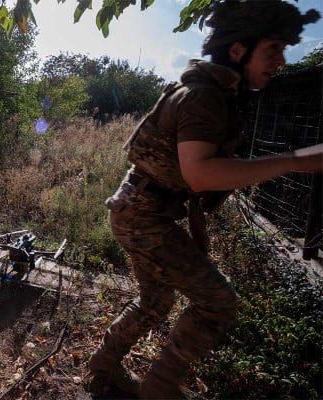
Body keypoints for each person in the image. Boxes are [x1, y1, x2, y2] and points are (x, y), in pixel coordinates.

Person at [86, 0, 322, 398]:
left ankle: (103, 364)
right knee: (218, 302)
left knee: (155, 301)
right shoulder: (204, 97)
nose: (281, 60)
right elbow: (200, 173)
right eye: (273, 49)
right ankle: (159, 387)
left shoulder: (216, 92)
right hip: (144, 216)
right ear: (238, 50)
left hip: (138, 211)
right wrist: (294, 161)